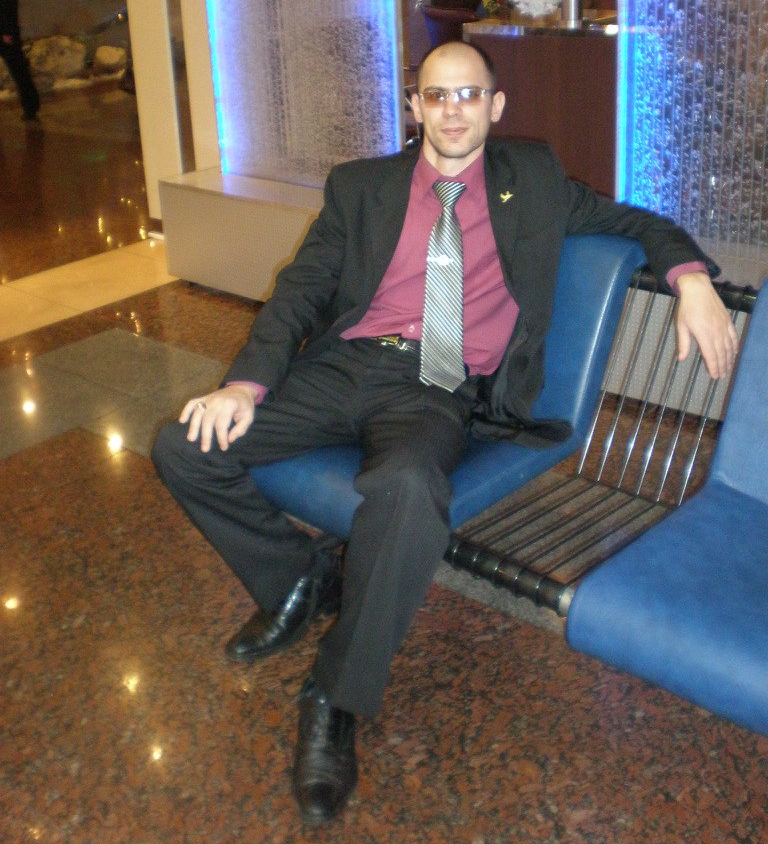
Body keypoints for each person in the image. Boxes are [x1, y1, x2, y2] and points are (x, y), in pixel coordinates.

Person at [152, 40, 738, 825]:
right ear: (415, 106)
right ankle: (299, 580)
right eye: (437, 95)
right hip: (343, 366)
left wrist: (690, 278)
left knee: (407, 488)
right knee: (184, 447)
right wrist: (244, 385)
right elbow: (300, 292)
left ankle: (334, 695)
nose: (453, 110)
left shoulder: (534, 178)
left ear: (496, 106)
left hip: (436, 383)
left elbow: (636, 220)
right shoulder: (361, 186)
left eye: (469, 95)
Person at [0, 0, 40, 122]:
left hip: (5, 29)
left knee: (18, 68)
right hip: (6, 28)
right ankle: (31, 104)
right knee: (18, 67)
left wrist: (7, 30)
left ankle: (31, 104)